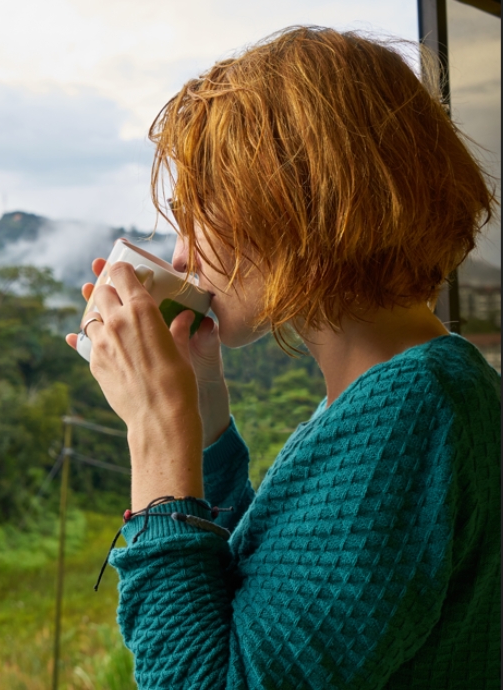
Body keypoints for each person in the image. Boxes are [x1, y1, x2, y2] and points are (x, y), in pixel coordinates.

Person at [66, 26, 500, 689]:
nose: (181, 257)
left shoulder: (415, 410)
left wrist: (155, 435)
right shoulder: (394, 392)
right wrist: (204, 413)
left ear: (291, 203)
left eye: (195, 215)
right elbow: (260, 600)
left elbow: (210, 679)